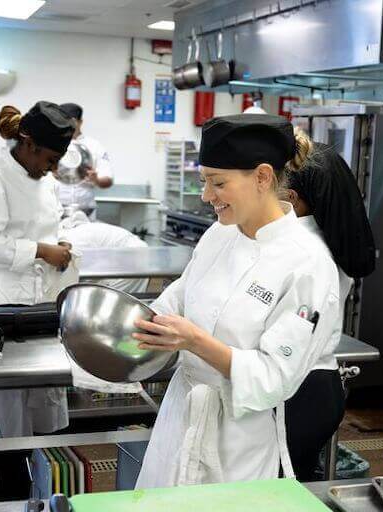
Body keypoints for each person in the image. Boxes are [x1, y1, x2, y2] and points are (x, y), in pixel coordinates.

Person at [132, 114, 341, 488]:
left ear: (262, 177)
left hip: (238, 437)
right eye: (204, 181)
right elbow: (181, 293)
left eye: (218, 183)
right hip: (181, 416)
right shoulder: (219, 234)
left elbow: (275, 378)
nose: (206, 195)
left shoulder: (307, 265)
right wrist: (143, 322)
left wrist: (194, 341)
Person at [0, 101, 76, 438]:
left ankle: (41, 472)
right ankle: (6, 473)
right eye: (49, 160)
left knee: (44, 393)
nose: (52, 168)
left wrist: (60, 245)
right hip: (2, 301)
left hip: (41, 300)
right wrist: (42, 251)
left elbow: (45, 226)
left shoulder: (44, 181)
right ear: (29, 145)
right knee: (8, 402)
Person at [282, 139, 377, 480]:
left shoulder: (305, 252)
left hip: (299, 394)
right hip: (307, 391)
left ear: (291, 200)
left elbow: (284, 343)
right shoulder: (314, 238)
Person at [60, 211, 149, 294]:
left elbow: (79, 278)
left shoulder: (72, 244)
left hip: (133, 255)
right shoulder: (67, 236)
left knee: (106, 301)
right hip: (127, 253)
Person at [57, 103, 113, 219]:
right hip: (56, 209)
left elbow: (107, 180)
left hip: (85, 211)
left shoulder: (94, 146)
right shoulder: (51, 144)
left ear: (80, 122)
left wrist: (96, 179)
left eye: (71, 121)